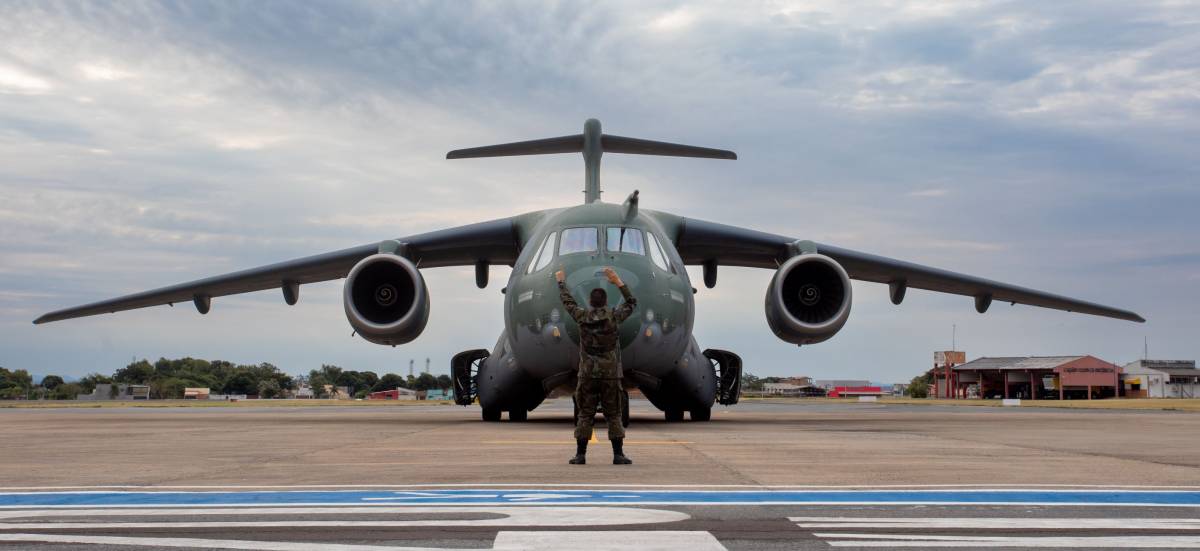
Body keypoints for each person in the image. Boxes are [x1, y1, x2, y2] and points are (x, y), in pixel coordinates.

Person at [555, 266, 637, 465]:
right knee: (614, 414)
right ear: (605, 301)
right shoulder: (614, 317)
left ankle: (580, 455)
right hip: (610, 374)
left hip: (587, 374)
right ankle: (618, 454)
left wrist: (561, 282)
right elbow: (631, 303)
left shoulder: (582, 317)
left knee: (585, 414)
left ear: (590, 302)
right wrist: (618, 281)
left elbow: (568, 302)